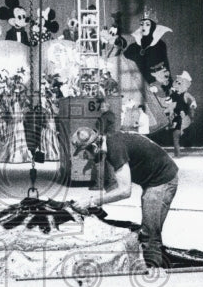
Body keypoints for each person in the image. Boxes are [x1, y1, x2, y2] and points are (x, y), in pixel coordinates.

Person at [77, 111, 179, 268]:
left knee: (149, 234)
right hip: (152, 179)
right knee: (149, 229)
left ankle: (154, 272)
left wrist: (92, 201)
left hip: (162, 180)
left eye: (86, 153)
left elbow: (125, 191)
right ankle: (153, 262)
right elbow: (113, 187)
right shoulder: (109, 143)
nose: (87, 158)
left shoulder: (115, 149)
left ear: (94, 147)